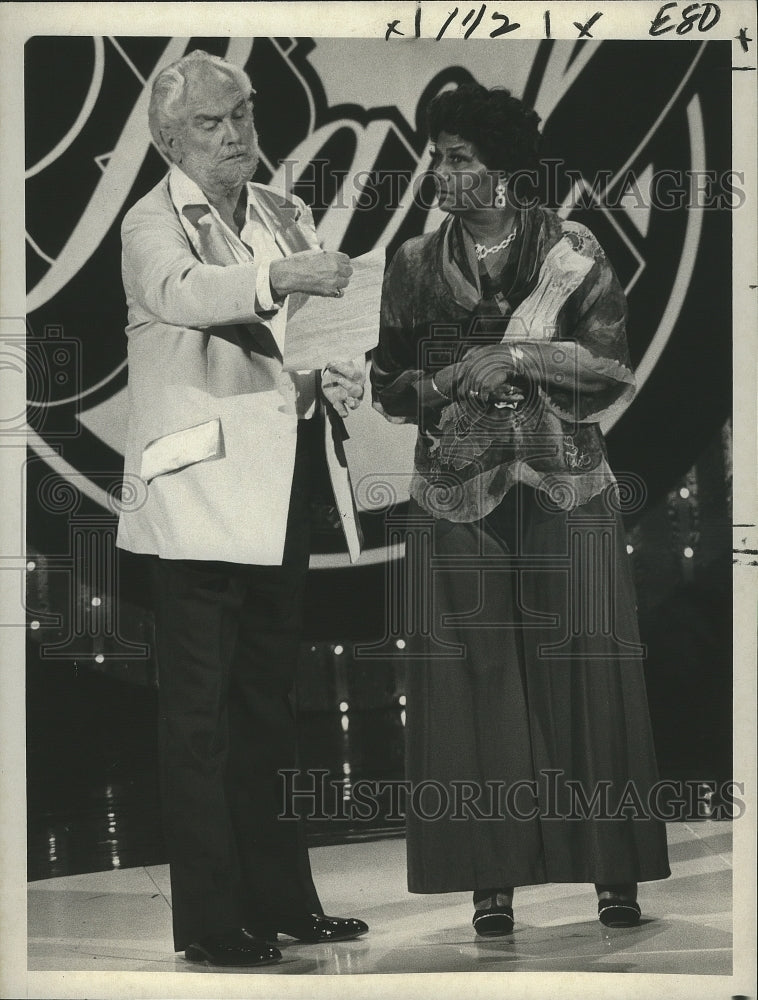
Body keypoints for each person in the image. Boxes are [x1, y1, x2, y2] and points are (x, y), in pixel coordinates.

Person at [371, 83, 670, 936]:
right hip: (457, 494)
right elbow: (391, 384)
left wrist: (517, 356)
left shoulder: (570, 249)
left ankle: (616, 874)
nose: (442, 169)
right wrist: (437, 382)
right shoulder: (413, 264)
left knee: (591, 671)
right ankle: (488, 881)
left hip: (562, 485)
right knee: (473, 680)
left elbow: (612, 366)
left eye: (460, 158)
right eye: (439, 154)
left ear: (503, 171)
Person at [117, 50, 368, 967]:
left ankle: (285, 901)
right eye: (211, 127)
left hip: (283, 484)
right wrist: (283, 282)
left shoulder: (279, 210)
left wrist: (338, 364)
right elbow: (180, 294)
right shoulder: (151, 222)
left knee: (270, 703)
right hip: (198, 497)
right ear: (171, 140)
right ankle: (214, 923)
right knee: (199, 718)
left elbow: (305, 333)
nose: (234, 139)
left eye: (243, 119)